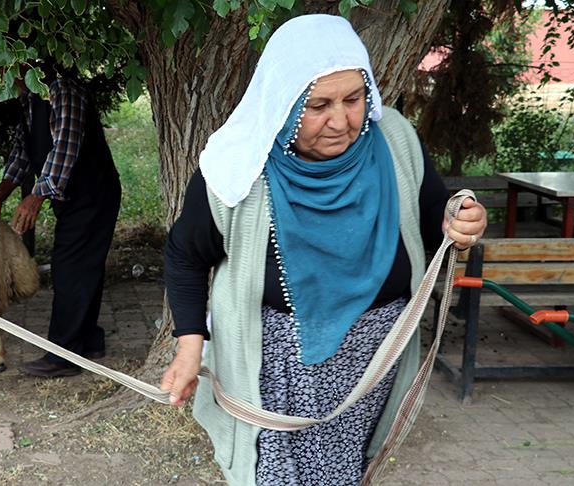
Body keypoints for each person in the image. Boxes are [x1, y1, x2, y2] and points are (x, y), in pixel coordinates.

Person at [159, 15, 487, 486]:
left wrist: (463, 219)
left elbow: (436, 220)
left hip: (373, 363)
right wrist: (191, 346)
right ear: (285, 104)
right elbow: (186, 256)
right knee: (272, 474)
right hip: (272, 366)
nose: (341, 121)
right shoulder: (240, 163)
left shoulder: (393, 139)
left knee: (344, 471)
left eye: (354, 99)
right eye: (318, 106)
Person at [0, 63, 121, 378]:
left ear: (18, 63)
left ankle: (64, 354)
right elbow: (22, 154)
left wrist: (36, 196)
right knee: (80, 268)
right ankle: (88, 341)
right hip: (73, 197)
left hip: (93, 193)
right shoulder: (28, 99)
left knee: (71, 268)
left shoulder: (62, 90)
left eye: (0, 68)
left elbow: (65, 149)